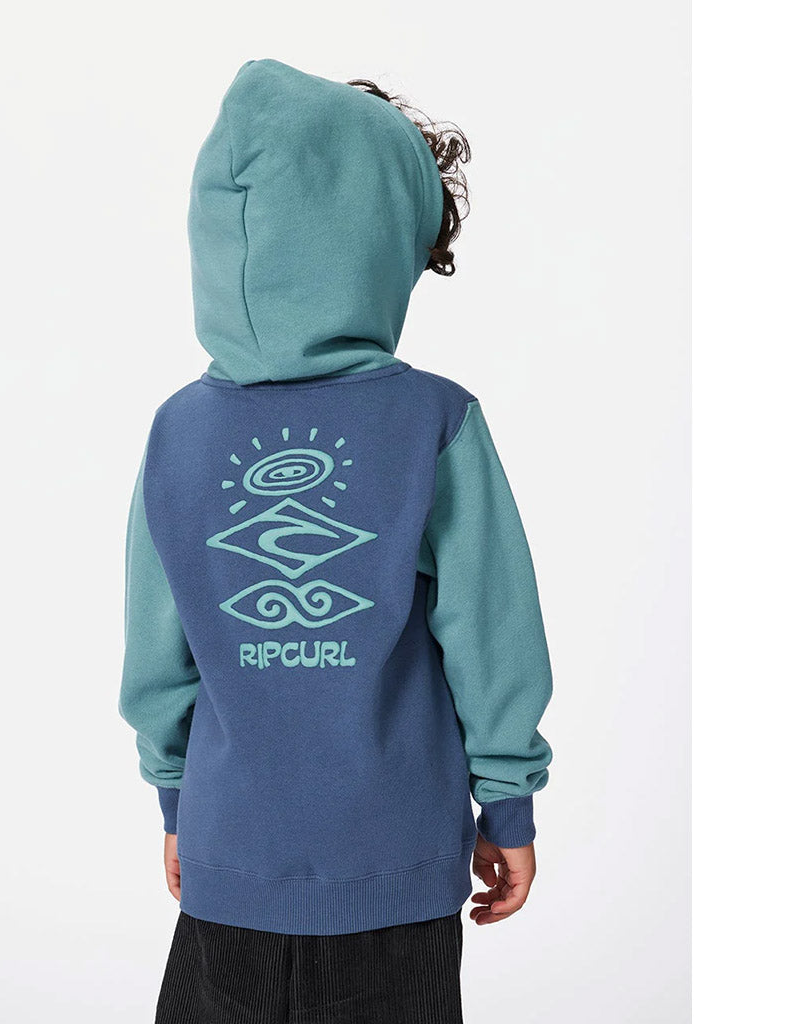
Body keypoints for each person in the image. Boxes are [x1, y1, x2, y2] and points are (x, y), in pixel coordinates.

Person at [119, 58, 553, 1024]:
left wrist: (176, 801)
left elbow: (155, 657)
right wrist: (508, 803)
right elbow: (493, 635)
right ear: (376, 246)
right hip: (396, 865)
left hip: (226, 860)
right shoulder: (435, 421)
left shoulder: (176, 432)